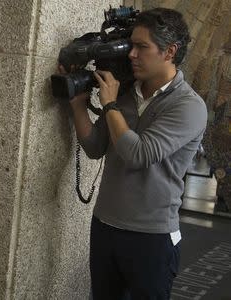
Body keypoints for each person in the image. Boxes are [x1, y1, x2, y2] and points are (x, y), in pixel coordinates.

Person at [61, 8, 208, 299]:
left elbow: (139, 154)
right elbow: (93, 147)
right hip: (104, 227)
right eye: (131, 46)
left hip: (151, 237)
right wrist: (78, 105)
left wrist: (110, 105)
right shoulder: (126, 93)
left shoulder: (189, 106)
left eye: (142, 47)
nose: (132, 55)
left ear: (170, 52)